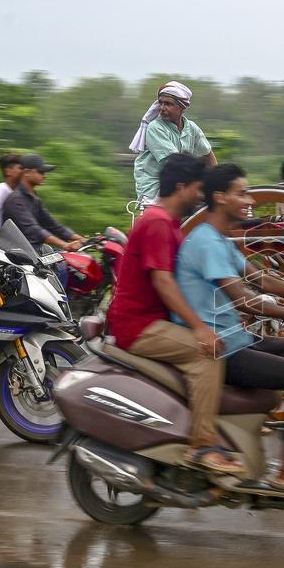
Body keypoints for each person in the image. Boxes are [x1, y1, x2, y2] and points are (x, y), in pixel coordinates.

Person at [176, 163, 284, 498]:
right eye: (242, 193)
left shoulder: (221, 239)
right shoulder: (205, 241)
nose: (250, 199)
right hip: (223, 350)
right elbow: (244, 298)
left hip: (238, 338)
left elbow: (261, 279)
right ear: (220, 198)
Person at [106, 154, 243, 475]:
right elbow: (163, 282)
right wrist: (200, 329)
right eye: (198, 189)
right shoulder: (156, 223)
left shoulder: (169, 224)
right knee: (206, 354)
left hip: (154, 321)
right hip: (138, 326)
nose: (200, 196)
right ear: (181, 187)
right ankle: (203, 445)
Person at [130, 81, 218, 204]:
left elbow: (208, 155)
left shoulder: (191, 128)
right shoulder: (155, 127)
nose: (162, 108)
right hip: (155, 190)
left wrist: (217, 183)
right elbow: (175, 165)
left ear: (182, 107)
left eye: (168, 104)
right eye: (160, 103)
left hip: (180, 185)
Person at [2, 154, 86, 253]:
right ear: (27, 172)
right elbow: (34, 230)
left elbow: (54, 225)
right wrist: (64, 245)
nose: (45, 175)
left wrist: (83, 240)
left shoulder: (34, 199)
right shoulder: (16, 200)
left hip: (36, 251)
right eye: (41, 172)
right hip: (20, 256)